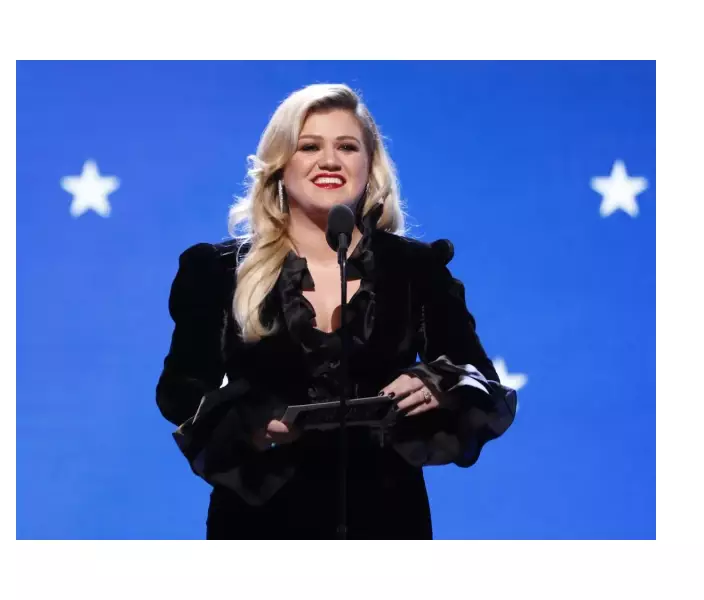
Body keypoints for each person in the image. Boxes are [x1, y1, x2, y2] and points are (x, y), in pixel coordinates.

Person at [156, 83, 517, 540]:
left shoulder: (416, 268)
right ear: (280, 163)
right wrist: (249, 421)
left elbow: (478, 377)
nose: (329, 161)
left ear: (370, 164)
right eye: (309, 146)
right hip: (260, 520)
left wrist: (435, 386)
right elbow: (180, 389)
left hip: (388, 517)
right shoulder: (218, 270)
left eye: (347, 147)